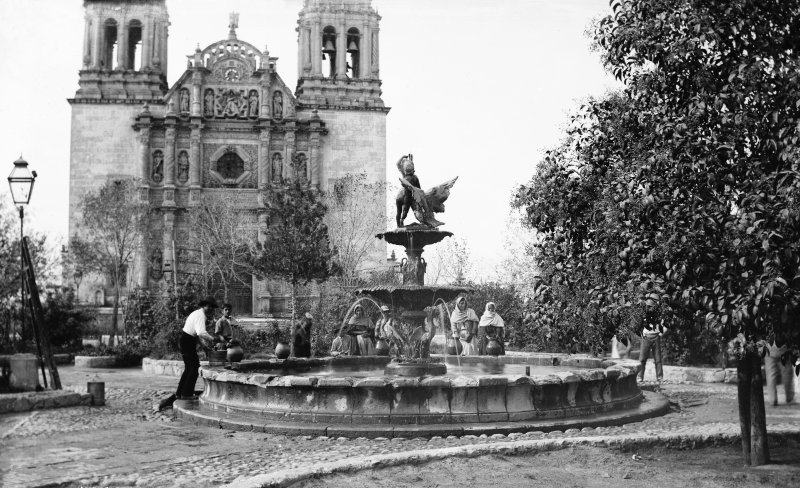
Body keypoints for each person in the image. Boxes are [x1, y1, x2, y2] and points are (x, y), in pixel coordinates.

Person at [158, 297, 219, 411]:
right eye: (208, 306)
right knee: (194, 367)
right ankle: (187, 394)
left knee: (189, 368)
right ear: (203, 306)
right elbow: (201, 332)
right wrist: (213, 339)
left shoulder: (198, 314)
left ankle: (180, 393)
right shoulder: (201, 315)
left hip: (187, 340)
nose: (210, 308)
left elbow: (196, 334)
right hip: (187, 341)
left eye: (212, 307)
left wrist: (204, 346)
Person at [637, 299, 667, 382]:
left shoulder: (658, 315)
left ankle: (660, 377)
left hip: (656, 337)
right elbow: (638, 325)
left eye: (650, 306)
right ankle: (640, 377)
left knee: (658, 359)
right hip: (646, 337)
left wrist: (661, 333)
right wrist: (642, 334)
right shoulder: (643, 315)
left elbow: (665, 324)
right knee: (642, 359)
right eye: (647, 306)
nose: (649, 308)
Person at [764, 336, 795, 406]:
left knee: (770, 374)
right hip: (784, 346)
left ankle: (773, 399)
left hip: (769, 346)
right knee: (787, 373)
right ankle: (789, 397)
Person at [395, 154, 420, 227]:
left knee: (398, 211)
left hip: (399, 195)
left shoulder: (404, 174)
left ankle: (398, 225)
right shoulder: (415, 177)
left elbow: (397, 164)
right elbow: (419, 189)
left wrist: (403, 157)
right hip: (406, 195)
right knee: (406, 208)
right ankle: (402, 220)